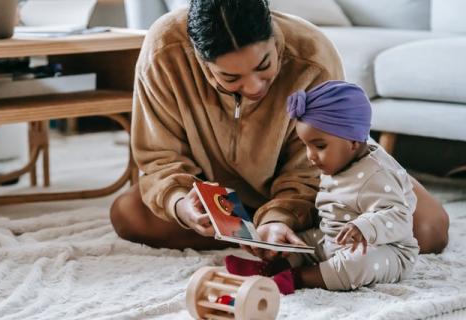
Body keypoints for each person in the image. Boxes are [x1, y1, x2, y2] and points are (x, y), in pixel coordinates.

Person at [110, 0, 449, 254]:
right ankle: (290, 241)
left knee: (428, 228)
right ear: (199, 58)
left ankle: (284, 234)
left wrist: (282, 216)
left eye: (264, 65)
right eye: (230, 77)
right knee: (129, 214)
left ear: (274, 36)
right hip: (219, 189)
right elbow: (159, 158)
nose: (255, 87)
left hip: (317, 190)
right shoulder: (164, 51)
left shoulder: (312, 54)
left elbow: (316, 166)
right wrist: (182, 204)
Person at [227, 81, 419, 293]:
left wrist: (364, 227)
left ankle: (296, 278)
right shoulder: (338, 160)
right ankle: (272, 267)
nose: (310, 156)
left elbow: (400, 216)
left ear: (353, 142)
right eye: (306, 145)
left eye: (319, 146)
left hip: (385, 249)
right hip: (332, 237)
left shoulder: (377, 173)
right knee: (297, 243)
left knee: (356, 264)